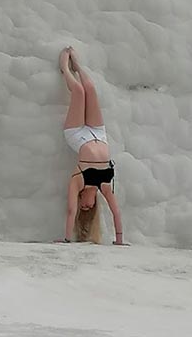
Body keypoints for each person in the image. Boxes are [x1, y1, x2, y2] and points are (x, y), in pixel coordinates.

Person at [58, 47, 125, 245]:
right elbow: (116, 212)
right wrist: (119, 240)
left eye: (83, 207)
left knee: (78, 91)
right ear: (95, 203)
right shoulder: (103, 185)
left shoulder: (78, 181)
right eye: (90, 207)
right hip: (99, 134)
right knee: (90, 89)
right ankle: (77, 66)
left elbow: (71, 211)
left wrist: (66, 240)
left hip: (77, 135)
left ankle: (66, 68)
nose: (86, 204)